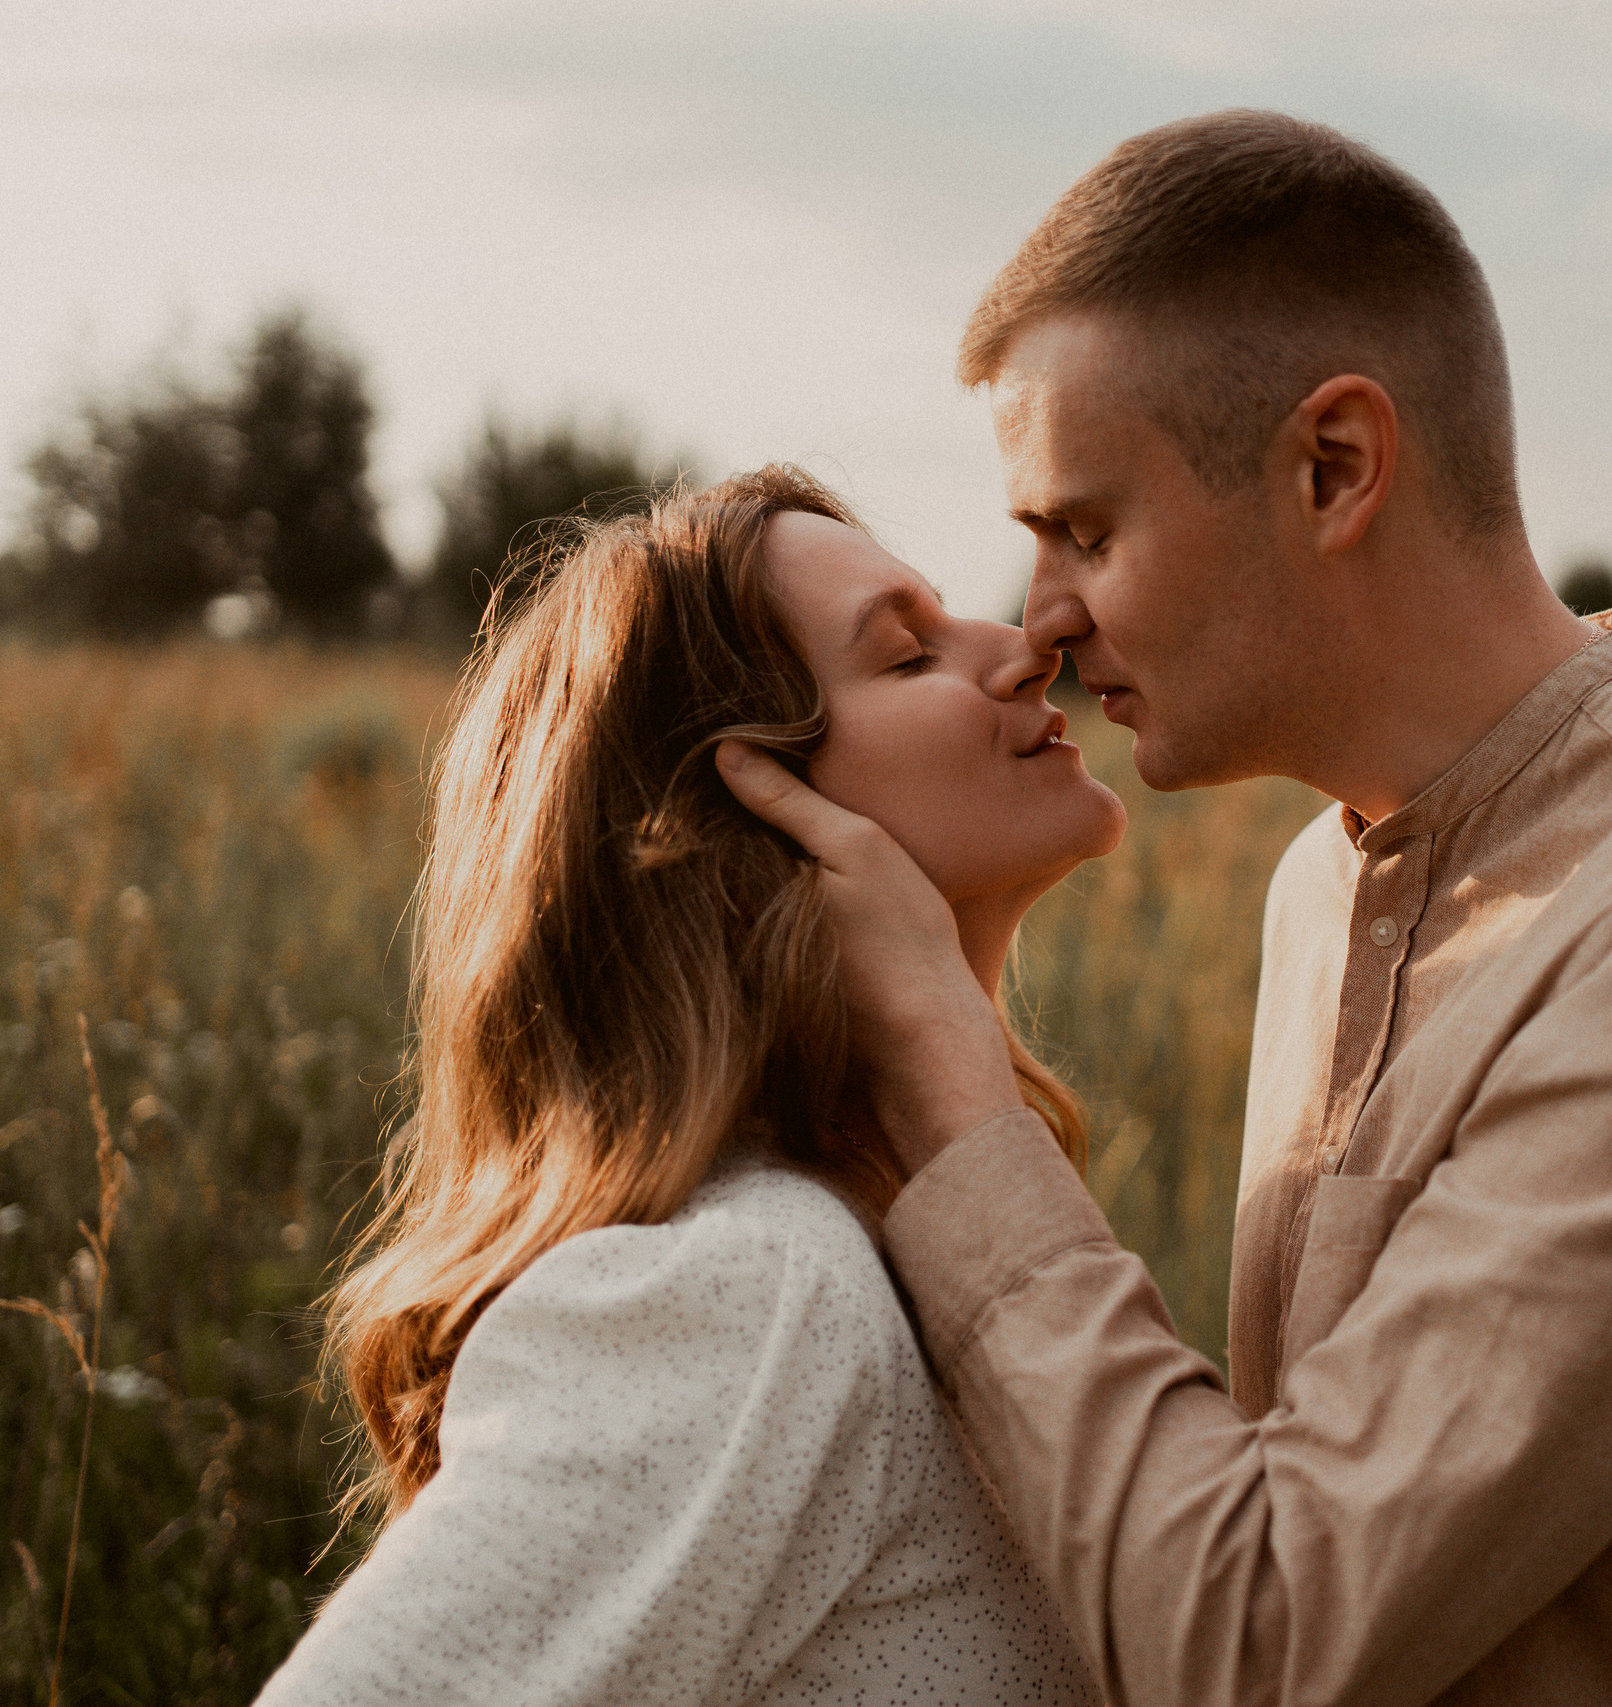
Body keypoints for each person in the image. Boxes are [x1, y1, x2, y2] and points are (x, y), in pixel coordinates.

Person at [717, 111, 1612, 1704]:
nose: (1036, 620)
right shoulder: (1324, 883)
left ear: (1334, 468)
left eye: (1087, 530)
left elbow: (1265, 1642)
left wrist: (950, 1079)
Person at [257, 467, 1112, 1705]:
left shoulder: (917, 1241)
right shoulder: (755, 1290)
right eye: (907, 656)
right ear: (751, 819)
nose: (1027, 648)